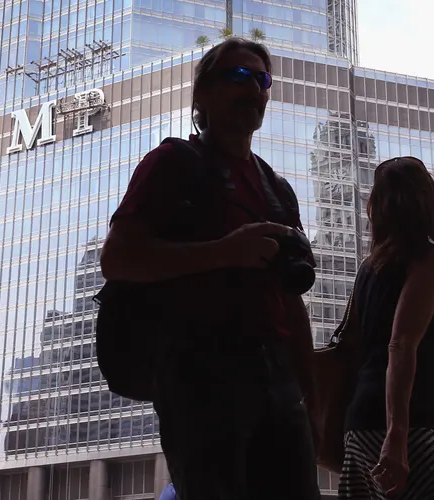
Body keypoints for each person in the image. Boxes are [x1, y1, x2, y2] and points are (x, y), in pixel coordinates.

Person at [100, 37, 321, 499]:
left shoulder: (277, 189)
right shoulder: (172, 164)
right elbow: (117, 259)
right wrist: (223, 252)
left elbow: (290, 302)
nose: (254, 88)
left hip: (278, 382)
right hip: (201, 377)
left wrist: (311, 398)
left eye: (262, 80)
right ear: (201, 93)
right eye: (238, 75)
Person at [339, 156, 434, 499]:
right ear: (427, 199)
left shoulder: (369, 267)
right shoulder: (428, 260)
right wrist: (396, 435)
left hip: (359, 424)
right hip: (405, 428)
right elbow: (399, 345)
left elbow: (363, 347)